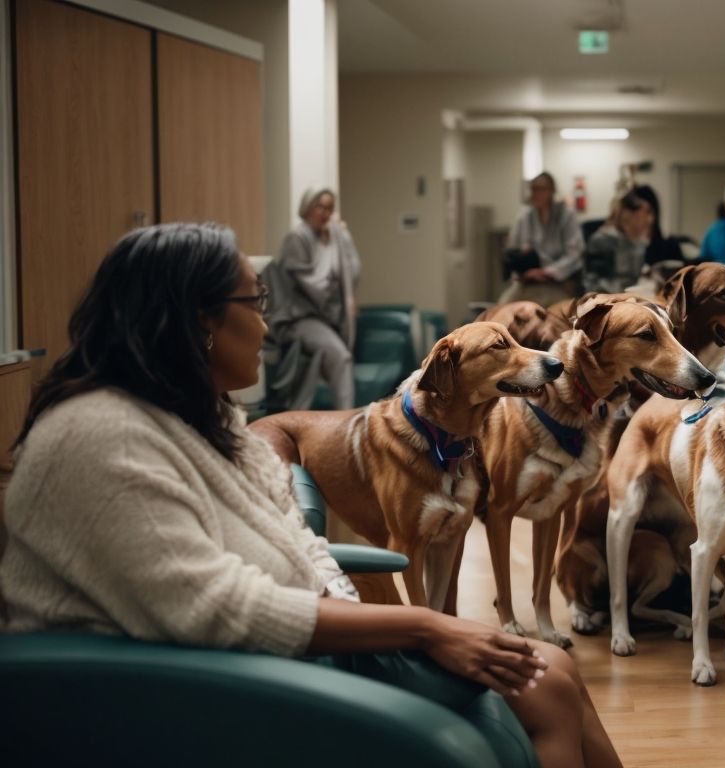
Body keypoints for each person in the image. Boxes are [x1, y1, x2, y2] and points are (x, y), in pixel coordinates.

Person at [0, 223, 622, 768]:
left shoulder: (207, 420)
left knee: (556, 669)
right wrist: (424, 629)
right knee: (546, 684)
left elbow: (302, 543)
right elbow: (211, 609)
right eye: (256, 300)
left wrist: (388, 626)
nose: (269, 324)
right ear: (198, 319)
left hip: (281, 650)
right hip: (198, 685)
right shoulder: (98, 436)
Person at [264, 186, 361, 410]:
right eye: (320, 207)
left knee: (340, 356)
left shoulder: (331, 238)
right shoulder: (296, 238)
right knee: (340, 357)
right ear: (308, 208)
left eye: (329, 208)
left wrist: (344, 238)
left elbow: (353, 271)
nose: (325, 213)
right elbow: (315, 286)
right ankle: (346, 420)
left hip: (323, 319)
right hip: (298, 318)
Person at [500, 172, 586, 307]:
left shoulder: (566, 215)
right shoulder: (525, 216)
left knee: (550, 313)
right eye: (533, 189)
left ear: (551, 191)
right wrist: (521, 262)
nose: (536, 193)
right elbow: (513, 247)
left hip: (558, 282)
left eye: (541, 189)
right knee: (504, 308)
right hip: (528, 281)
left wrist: (547, 272)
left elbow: (574, 253)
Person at [583, 192, 654, 294]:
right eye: (645, 213)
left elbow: (635, 277)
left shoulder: (640, 242)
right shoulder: (603, 240)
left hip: (631, 297)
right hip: (608, 299)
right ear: (629, 214)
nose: (649, 219)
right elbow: (596, 284)